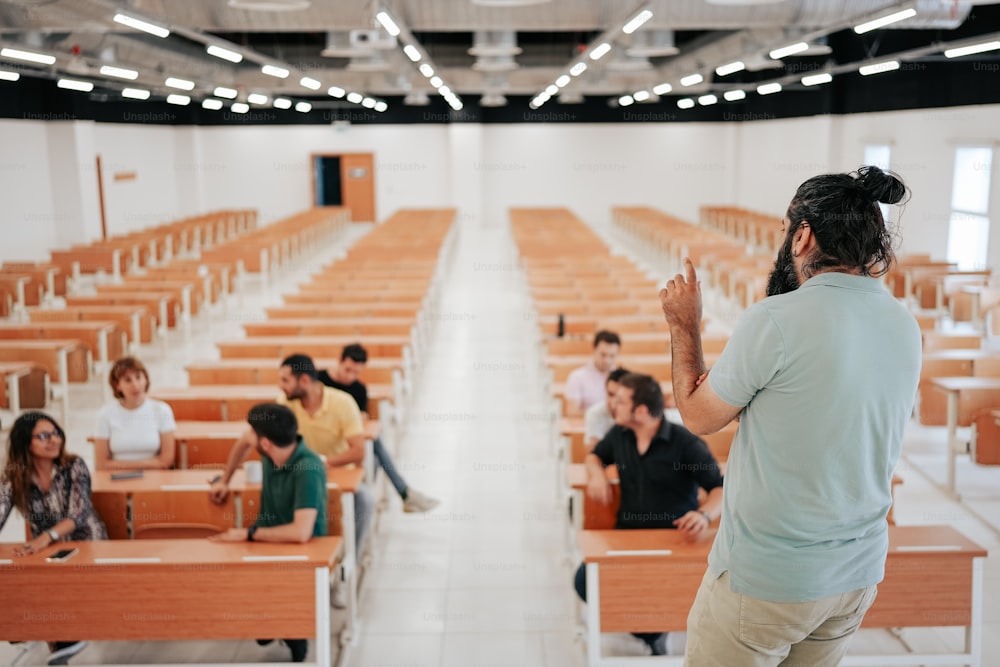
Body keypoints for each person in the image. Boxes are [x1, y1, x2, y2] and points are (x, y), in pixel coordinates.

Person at [659, 165, 919, 666]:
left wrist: (683, 325)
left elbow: (697, 415)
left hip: (770, 582)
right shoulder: (903, 323)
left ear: (803, 237)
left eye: (785, 230)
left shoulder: (774, 320)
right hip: (856, 577)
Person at [573, 373, 723, 656]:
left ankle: (656, 629)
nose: (611, 404)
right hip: (627, 538)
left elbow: (720, 489)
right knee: (583, 580)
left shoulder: (685, 443)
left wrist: (704, 516)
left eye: (619, 400)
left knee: (673, 584)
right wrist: (595, 475)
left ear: (640, 411)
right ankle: (649, 631)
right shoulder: (620, 435)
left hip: (675, 540)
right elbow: (595, 456)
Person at [209, 353, 374, 609]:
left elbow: (358, 452)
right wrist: (225, 480)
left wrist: (324, 461)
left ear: (304, 380)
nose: (280, 386)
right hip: (293, 469)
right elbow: (248, 440)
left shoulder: (343, 403)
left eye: (285, 380)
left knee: (364, 499)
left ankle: (345, 567)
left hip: (332, 471)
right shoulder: (285, 404)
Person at [211, 403, 325, 663]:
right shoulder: (273, 451)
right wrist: (225, 480)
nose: (250, 436)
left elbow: (301, 532)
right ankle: (274, 621)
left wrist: (249, 534)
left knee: (273, 607)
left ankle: (293, 630)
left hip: (302, 550)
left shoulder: (308, 468)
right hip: (268, 540)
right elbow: (244, 440)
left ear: (266, 443)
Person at [0, 412, 108, 665]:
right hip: (46, 549)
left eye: (56, 433)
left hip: (86, 540)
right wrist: (43, 542)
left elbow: (78, 516)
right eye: (44, 436)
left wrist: (46, 537)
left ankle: (66, 636)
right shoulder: (15, 476)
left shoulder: (74, 465)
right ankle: (52, 636)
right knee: (19, 579)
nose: (54, 440)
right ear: (26, 443)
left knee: (59, 582)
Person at [317, 343, 439, 513]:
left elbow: (362, 418)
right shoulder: (318, 380)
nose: (350, 376)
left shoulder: (358, 389)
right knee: (375, 446)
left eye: (357, 372)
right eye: (348, 369)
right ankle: (403, 492)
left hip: (345, 440)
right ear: (339, 361)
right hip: (320, 436)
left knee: (373, 445)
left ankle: (399, 494)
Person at [93, 356, 176, 470]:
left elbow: (166, 460)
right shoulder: (105, 414)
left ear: (146, 380)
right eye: (127, 380)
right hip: (116, 478)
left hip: (154, 476)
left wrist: (122, 465)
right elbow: (101, 463)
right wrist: (149, 464)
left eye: (138, 377)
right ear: (117, 386)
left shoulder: (162, 410)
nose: (135, 385)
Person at [564, 330, 621, 416]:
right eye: (603, 354)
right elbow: (572, 412)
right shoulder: (577, 377)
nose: (607, 361)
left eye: (612, 356)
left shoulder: (623, 379)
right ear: (594, 350)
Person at [582, 367, 630, 451]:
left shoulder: (639, 414)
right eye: (610, 394)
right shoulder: (595, 413)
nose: (613, 401)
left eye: (618, 397)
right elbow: (593, 452)